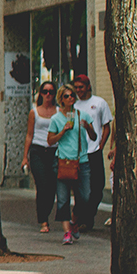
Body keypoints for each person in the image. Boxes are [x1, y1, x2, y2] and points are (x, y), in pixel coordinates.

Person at [47, 85, 95, 244]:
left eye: (72, 95)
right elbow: (50, 140)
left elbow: (94, 137)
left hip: (81, 161)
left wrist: (88, 127)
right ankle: (67, 232)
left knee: (85, 197)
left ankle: (74, 222)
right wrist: (63, 131)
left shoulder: (83, 115)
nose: (70, 98)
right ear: (61, 99)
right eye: (66, 96)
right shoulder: (56, 119)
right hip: (63, 161)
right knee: (63, 198)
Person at [71, 73, 113, 231]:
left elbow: (106, 126)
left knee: (98, 186)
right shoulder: (74, 105)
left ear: (88, 87)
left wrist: (101, 145)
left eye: (81, 87)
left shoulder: (99, 103)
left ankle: (88, 215)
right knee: (82, 188)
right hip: (78, 152)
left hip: (94, 151)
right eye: (76, 88)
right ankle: (84, 220)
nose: (78, 90)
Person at [27, 81, 59, 234]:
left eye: (51, 92)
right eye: (45, 91)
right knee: (42, 184)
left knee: (52, 186)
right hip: (37, 150)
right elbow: (29, 134)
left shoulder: (59, 112)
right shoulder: (34, 112)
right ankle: (43, 220)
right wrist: (25, 157)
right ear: (40, 93)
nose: (48, 95)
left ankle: (46, 213)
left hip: (54, 151)